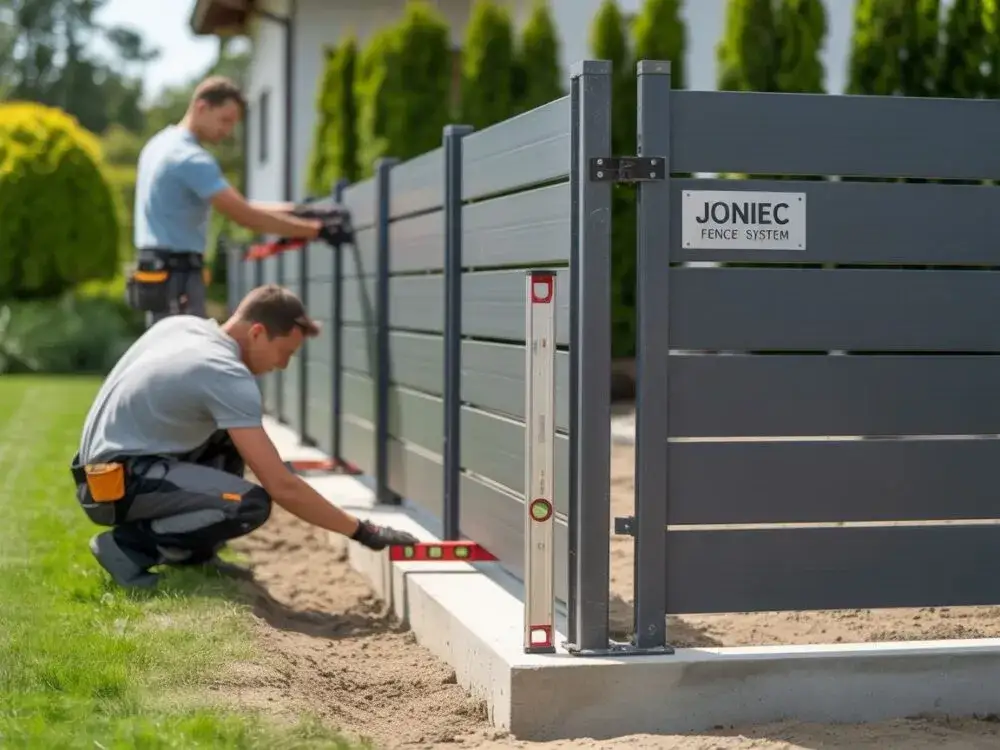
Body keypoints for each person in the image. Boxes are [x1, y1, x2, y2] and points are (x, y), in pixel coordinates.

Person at [70, 284, 418, 589]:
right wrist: (362, 531)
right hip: (115, 485)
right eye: (285, 352)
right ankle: (128, 549)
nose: (282, 365)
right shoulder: (224, 372)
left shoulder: (184, 327)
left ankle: (194, 556)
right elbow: (282, 486)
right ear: (256, 333)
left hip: (103, 473)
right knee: (248, 504)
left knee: (232, 439)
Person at [128, 75, 345, 324]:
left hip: (156, 274)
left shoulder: (158, 144)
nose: (228, 131)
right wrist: (317, 231)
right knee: (186, 355)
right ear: (202, 107)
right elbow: (244, 216)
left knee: (164, 351)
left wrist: (303, 211)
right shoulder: (190, 158)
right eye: (225, 120)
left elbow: (240, 205)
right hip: (179, 277)